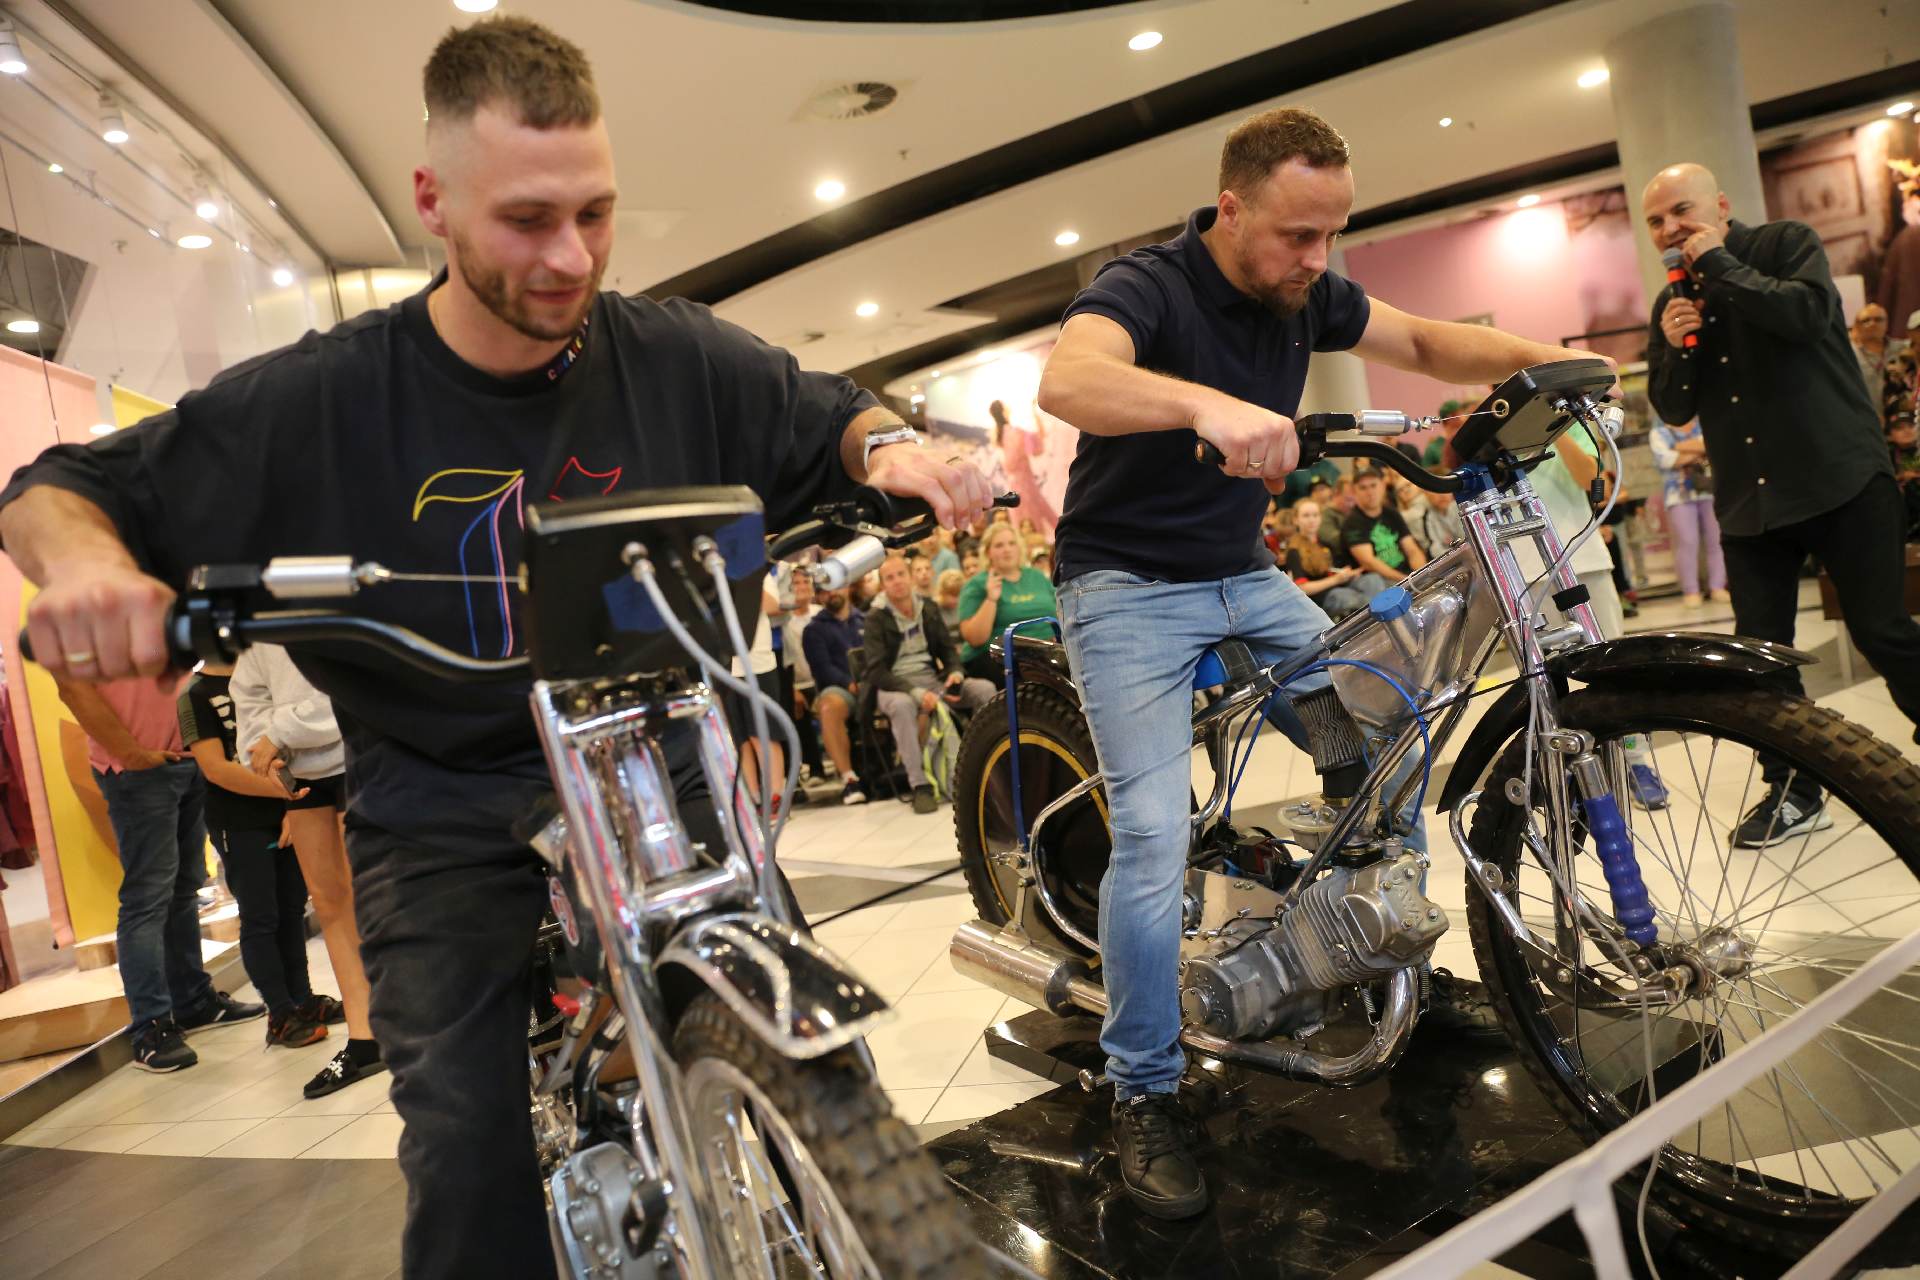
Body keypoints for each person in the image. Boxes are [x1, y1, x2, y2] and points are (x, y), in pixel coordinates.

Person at [0, 18, 989, 1278]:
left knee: (812, 1047)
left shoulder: (673, 350)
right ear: (433, 203)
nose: (571, 255)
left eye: (596, 211)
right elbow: (59, 485)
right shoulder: (326, 396)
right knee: (465, 1146)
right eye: (527, 219)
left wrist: (901, 451)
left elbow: (830, 417)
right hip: (438, 786)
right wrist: (91, 566)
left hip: (653, 752)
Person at [1036, 105, 1597, 1220]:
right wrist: (1205, 404)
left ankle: (1372, 948)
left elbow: (1433, 341)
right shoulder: (1148, 287)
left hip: (1241, 574)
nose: (1317, 259)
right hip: (1123, 589)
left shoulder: (1308, 294)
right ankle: (1142, 1088)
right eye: (1297, 235)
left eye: (1333, 234)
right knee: (1149, 834)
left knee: (1387, 729)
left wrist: (1559, 362)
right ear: (1231, 208)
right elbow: (1069, 379)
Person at [1644, 161, 1920, 846]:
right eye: (1654, 220)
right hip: (1750, 503)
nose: (1669, 229)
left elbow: (1805, 316)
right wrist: (1676, 348)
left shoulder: (1785, 244)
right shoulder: (1673, 301)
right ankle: (1795, 790)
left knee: (1882, 630)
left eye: (1680, 211)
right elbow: (1674, 405)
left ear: (1721, 204)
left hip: (1839, 479)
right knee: (1757, 659)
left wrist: (1722, 265)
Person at [57, 676, 265, 1071]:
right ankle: (150, 1028)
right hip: (137, 768)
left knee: (184, 887)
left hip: (187, 758)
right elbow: (72, 686)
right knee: (147, 897)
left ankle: (191, 1002)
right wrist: (131, 753)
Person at [232, 643, 376, 1097]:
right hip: (301, 770)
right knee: (330, 901)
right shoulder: (254, 622)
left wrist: (280, 730)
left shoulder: (318, 583)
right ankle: (364, 1036)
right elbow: (249, 693)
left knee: (380, 891)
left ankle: (419, 1015)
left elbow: (352, 679)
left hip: (362, 746)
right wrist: (261, 749)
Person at [179, 661, 328, 1050]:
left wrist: (292, 810)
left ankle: (304, 1000)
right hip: (239, 822)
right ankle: (279, 1014)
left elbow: (291, 743)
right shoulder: (194, 695)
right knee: (261, 916)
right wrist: (285, 795)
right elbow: (215, 769)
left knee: (292, 909)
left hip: (287, 813)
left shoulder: (263, 675)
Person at [862, 556, 996, 814]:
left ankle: (986, 767)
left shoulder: (928, 608)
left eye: (901, 574)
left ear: (910, 577)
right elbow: (876, 671)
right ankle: (919, 785)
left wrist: (955, 673)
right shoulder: (876, 618)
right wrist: (915, 692)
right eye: (890, 578)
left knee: (984, 689)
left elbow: (948, 652)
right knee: (902, 706)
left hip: (932, 680)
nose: (897, 581)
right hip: (894, 686)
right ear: (883, 585)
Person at [957, 523, 1060, 684]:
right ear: (988, 552)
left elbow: (1060, 611)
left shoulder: (1037, 576)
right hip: (998, 656)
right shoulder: (977, 584)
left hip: (1045, 651)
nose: (1007, 549)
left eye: (1012, 543)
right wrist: (991, 599)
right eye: (999, 545)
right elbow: (975, 638)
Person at [800, 587, 871, 805]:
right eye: (822, 590)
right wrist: (848, 683)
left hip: (875, 684)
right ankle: (849, 779)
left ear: (847, 585)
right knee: (828, 707)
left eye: (834, 585)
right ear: (818, 596)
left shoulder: (867, 620)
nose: (830, 593)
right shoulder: (814, 629)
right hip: (839, 689)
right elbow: (822, 668)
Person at [1648, 418, 1728, 607]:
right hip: (1678, 494)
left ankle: (1718, 586)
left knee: (1717, 540)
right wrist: (1697, 450)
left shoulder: (1703, 423)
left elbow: (1713, 446)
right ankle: (1691, 590)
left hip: (1710, 489)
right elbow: (1665, 459)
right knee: (1687, 541)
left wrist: (1679, 447)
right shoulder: (1659, 430)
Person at [1282, 497, 1373, 618]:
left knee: (1372, 580)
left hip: (1337, 588)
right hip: (1321, 599)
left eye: (1315, 515)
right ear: (1296, 520)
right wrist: (1336, 580)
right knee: (1346, 596)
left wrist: (1347, 574)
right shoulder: (1294, 551)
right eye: (1306, 516)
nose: (1311, 520)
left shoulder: (1324, 544)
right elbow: (1303, 588)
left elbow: (1331, 572)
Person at [1341, 468, 1427, 584]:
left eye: (1373, 485)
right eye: (1363, 488)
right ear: (1354, 492)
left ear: (1382, 486)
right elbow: (1369, 562)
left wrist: (1421, 576)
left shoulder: (1391, 513)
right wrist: (1406, 581)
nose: (1370, 492)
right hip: (1380, 582)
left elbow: (1412, 549)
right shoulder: (1352, 522)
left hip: (1408, 574)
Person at [1850, 304, 1909, 423]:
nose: (1873, 324)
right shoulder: (1848, 353)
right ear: (1857, 325)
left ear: (1886, 323)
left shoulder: (1903, 349)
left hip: (1902, 424)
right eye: (1866, 320)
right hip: (1862, 421)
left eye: (1878, 319)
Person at [1410, 473, 1464, 556]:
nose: (1441, 495)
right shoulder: (1428, 517)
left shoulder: (1460, 507)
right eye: (1436, 491)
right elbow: (1434, 548)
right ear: (1427, 496)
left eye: (1445, 490)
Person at [1889, 410, 1920, 536]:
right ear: (1890, 434)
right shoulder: (1886, 455)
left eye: (1911, 426)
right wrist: (1901, 477)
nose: (1907, 431)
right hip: (1902, 518)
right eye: (1900, 428)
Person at [1422, 399, 1467, 467]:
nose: (1464, 417)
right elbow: (1427, 473)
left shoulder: (1465, 438)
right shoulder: (1432, 448)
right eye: (1460, 413)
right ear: (1450, 417)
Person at [935, 567, 965, 633]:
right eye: (953, 595)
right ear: (942, 592)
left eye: (959, 595)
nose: (956, 600)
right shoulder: (933, 611)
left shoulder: (964, 607)